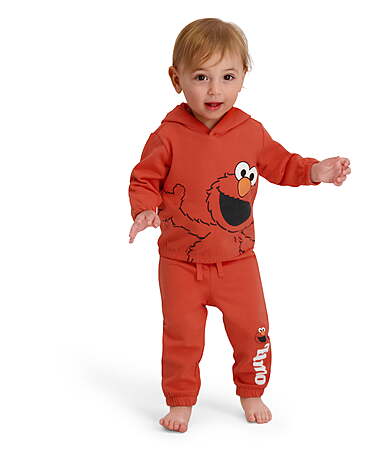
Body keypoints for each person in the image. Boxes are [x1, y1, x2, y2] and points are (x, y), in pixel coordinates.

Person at [128, 18, 351, 433]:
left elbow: (282, 164)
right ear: (177, 79)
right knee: (182, 337)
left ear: (243, 77)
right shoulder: (168, 135)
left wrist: (314, 171)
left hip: (237, 263)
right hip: (179, 264)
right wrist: (144, 209)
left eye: (227, 77)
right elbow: (144, 180)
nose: (215, 90)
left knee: (254, 332)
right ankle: (180, 401)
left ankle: (252, 391)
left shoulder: (250, 132)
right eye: (201, 77)